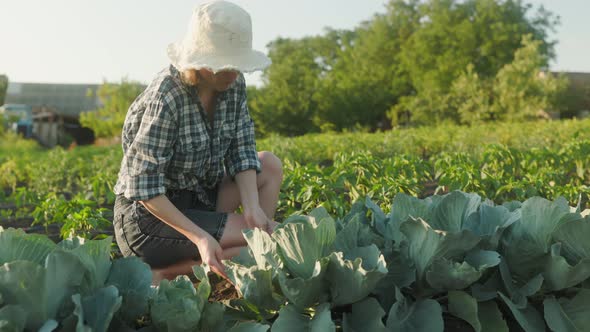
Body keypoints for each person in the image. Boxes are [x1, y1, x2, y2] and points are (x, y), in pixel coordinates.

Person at [112, 0, 281, 285]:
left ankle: (228, 257)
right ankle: (166, 273)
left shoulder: (233, 85)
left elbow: (242, 149)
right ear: (201, 58)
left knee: (269, 166)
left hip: (200, 198)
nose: (233, 73)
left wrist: (253, 208)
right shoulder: (168, 95)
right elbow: (144, 187)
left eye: (237, 65)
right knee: (268, 241)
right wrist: (200, 236)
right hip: (152, 218)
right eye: (225, 65)